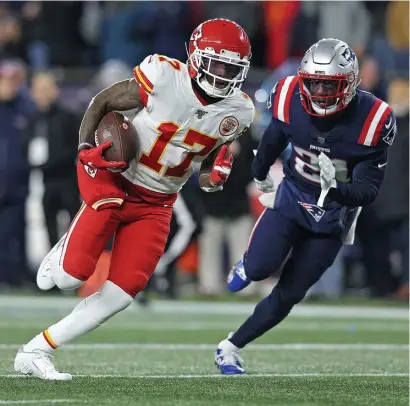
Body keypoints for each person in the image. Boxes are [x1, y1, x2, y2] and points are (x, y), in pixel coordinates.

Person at [14, 18, 255, 380]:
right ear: (195, 55)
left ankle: (35, 351)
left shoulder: (240, 111)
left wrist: (213, 177)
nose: (222, 75)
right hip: (116, 175)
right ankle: (69, 248)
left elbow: (204, 165)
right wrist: (85, 148)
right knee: (66, 278)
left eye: (231, 68)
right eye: (217, 64)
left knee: (123, 292)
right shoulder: (164, 76)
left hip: (158, 202)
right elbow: (102, 101)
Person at [215, 38, 396, 375]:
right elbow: (274, 138)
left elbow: (368, 190)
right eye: (312, 82)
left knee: (289, 294)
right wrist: (260, 173)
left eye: (329, 84)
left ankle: (230, 347)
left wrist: (338, 189)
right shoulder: (288, 96)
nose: (318, 91)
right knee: (258, 269)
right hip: (293, 194)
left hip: (333, 214)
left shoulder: (374, 118)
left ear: (350, 84)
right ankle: (248, 265)